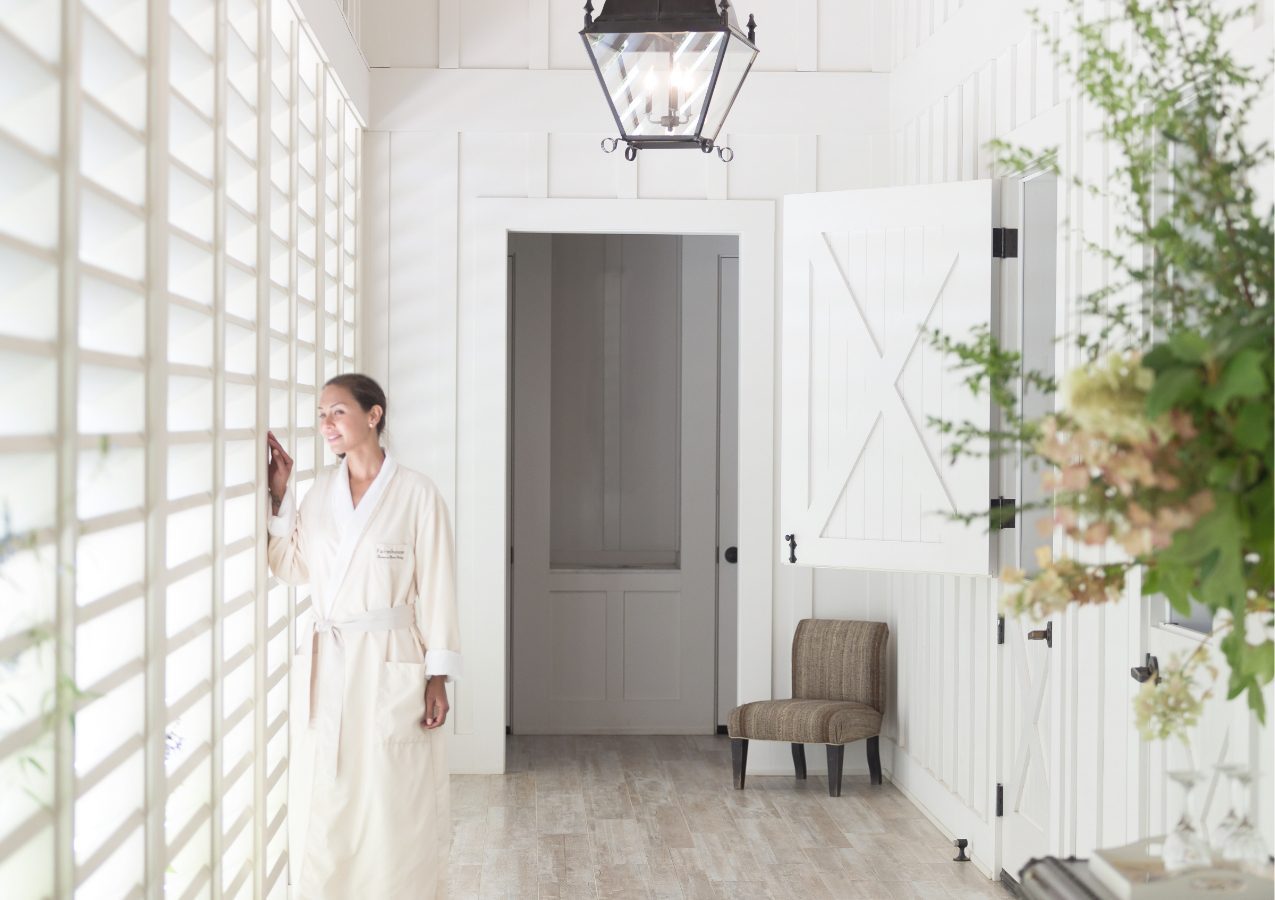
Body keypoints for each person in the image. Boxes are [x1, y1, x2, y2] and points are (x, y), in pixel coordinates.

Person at [265, 373, 460, 900]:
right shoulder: (320, 494)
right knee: (331, 792)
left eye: (338, 412)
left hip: (391, 657)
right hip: (330, 659)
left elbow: (439, 586)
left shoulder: (417, 493)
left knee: (392, 794)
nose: (326, 424)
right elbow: (289, 566)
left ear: (373, 416)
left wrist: (437, 676)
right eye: (321, 414)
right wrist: (281, 497)